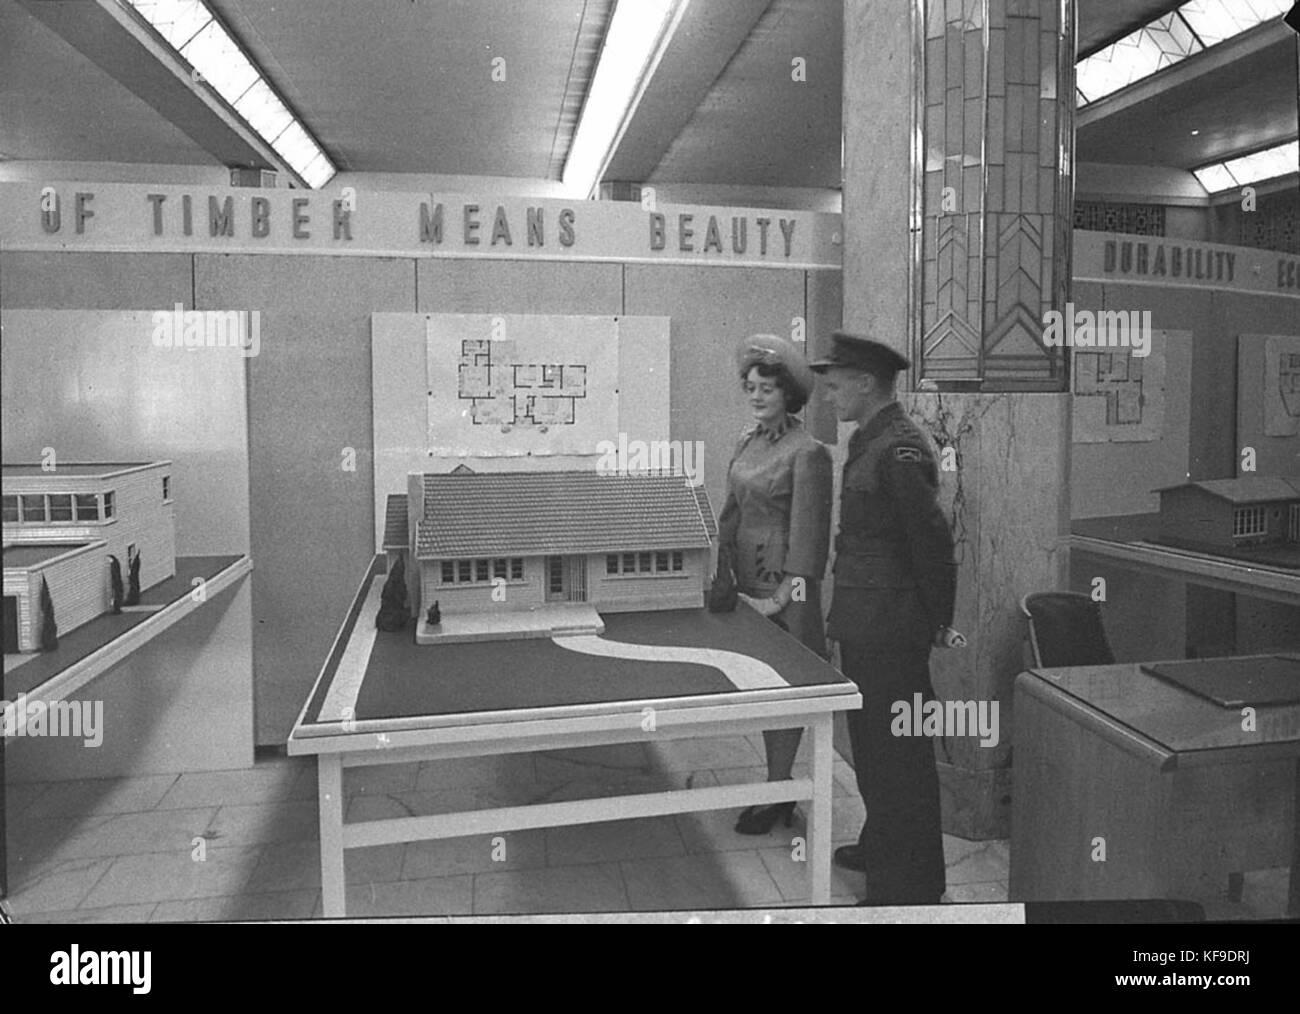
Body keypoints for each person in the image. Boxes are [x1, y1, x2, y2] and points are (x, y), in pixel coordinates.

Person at [808, 330, 965, 905]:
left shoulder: (899, 447)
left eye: (835, 386)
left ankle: (909, 886)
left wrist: (937, 620)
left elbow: (931, 541)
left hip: (893, 629)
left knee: (899, 758)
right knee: (874, 750)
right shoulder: (871, 439)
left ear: (866, 383)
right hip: (868, 623)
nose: (828, 396)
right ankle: (882, 846)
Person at [717, 333, 833, 836]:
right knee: (762, 687)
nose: (757, 396)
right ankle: (776, 787)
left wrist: (780, 600)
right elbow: (731, 512)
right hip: (746, 583)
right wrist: (719, 568)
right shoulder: (747, 442)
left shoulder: (808, 453)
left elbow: (810, 542)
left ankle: (780, 791)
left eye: (767, 388)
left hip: (786, 592)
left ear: (789, 394)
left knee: (786, 688)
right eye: (751, 387)